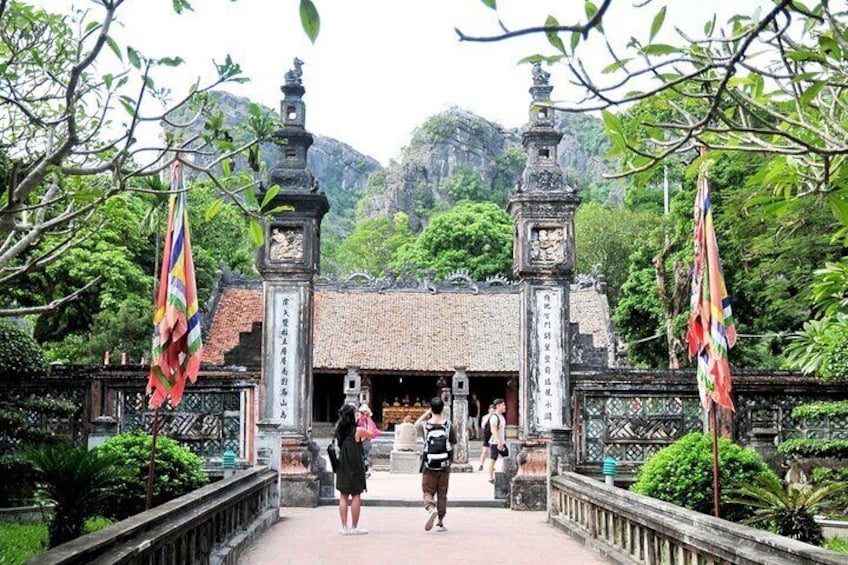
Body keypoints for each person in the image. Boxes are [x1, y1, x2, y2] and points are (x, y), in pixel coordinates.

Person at [415, 397, 457, 533]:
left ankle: (430, 508)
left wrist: (427, 413)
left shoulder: (425, 426)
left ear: (431, 408)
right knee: (442, 493)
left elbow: (416, 424)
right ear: (443, 408)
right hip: (444, 464)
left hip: (428, 464)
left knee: (427, 491)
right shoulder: (448, 425)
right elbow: (453, 443)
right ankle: (440, 521)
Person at [334, 403, 375, 535]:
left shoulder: (339, 428)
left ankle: (344, 527)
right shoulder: (358, 430)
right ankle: (354, 526)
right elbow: (372, 434)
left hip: (342, 463)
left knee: (343, 495)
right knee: (356, 494)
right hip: (355, 464)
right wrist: (368, 418)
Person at [486, 399, 507, 484]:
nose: (505, 406)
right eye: (503, 405)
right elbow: (494, 431)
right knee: (492, 459)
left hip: (502, 442)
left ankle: (502, 473)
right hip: (495, 443)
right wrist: (499, 442)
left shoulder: (501, 416)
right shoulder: (494, 417)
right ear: (498, 406)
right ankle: (490, 478)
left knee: (507, 457)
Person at [356, 403, 381, 478]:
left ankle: (364, 470)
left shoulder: (369, 421)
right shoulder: (357, 420)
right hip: (359, 440)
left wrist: (368, 418)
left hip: (366, 440)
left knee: (366, 455)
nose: (364, 415)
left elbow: (374, 431)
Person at [478, 404, 495, 471]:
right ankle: (481, 464)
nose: (492, 412)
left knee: (492, 451)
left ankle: (491, 465)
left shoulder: (496, 417)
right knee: (485, 451)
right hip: (487, 435)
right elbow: (483, 426)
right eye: (491, 411)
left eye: (493, 411)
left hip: (493, 435)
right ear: (489, 411)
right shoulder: (485, 417)